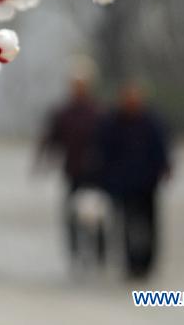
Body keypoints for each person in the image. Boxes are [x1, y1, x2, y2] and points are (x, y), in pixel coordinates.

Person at [96, 81, 171, 279]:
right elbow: (103, 151)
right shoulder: (113, 122)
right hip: (122, 183)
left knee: (149, 223)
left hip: (147, 182)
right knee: (126, 225)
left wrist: (165, 168)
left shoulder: (150, 121)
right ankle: (131, 263)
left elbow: (160, 147)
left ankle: (147, 262)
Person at [36, 66, 104, 266]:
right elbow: (51, 138)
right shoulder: (64, 113)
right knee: (71, 214)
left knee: (97, 215)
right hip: (73, 171)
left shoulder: (98, 112)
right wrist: (43, 160)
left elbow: (109, 139)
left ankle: (99, 252)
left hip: (95, 173)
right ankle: (75, 252)